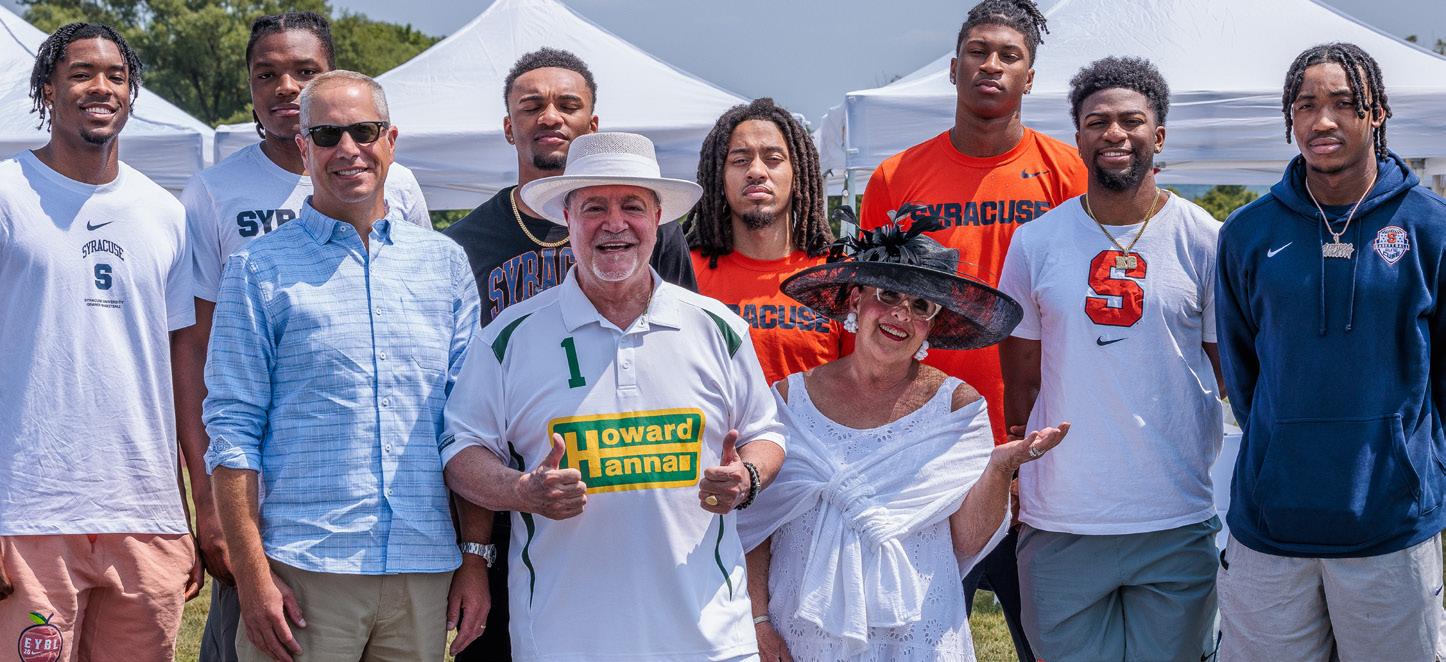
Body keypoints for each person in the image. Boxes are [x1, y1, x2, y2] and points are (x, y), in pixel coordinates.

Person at [441, 132, 786, 660]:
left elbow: (766, 433)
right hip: (562, 642)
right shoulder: (509, 337)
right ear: (567, 218)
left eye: (632, 206)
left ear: (658, 219)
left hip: (709, 640)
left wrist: (748, 477)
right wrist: (521, 491)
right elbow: (461, 453)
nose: (614, 223)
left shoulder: (718, 327)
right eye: (594, 208)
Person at [172, 12, 434, 662]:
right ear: (250, 88)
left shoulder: (396, 184)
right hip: (263, 496)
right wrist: (209, 501)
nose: (285, 87)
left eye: (304, 71)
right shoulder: (215, 191)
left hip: (381, 510)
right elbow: (196, 350)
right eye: (267, 74)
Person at [203, 70, 486, 662]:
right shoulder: (257, 269)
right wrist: (253, 577)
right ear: (303, 147)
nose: (348, 149)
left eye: (364, 131)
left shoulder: (445, 264)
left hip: (422, 567)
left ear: (391, 141)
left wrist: (474, 558)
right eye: (327, 135)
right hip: (305, 569)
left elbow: (470, 427)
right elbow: (232, 432)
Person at [443, 48, 698, 661]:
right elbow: (462, 414)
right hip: (505, 504)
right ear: (509, 127)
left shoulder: (654, 233)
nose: (550, 116)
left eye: (567, 104)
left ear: (593, 123)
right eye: (531, 106)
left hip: (632, 494)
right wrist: (474, 553)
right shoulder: (464, 244)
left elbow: (679, 350)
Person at [857, 2, 1086, 657]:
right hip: (925, 446)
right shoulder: (896, 178)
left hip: (1039, 445)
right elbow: (870, 317)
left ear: (1030, 77)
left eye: (1009, 56)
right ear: (953, 68)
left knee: (1051, 644)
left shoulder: (1070, 173)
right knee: (919, 643)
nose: (992, 65)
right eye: (979, 52)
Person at [738, 213, 1069, 661]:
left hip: (919, 636)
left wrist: (999, 466)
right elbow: (757, 524)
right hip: (801, 635)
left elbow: (968, 541)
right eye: (888, 295)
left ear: (933, 323)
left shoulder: (958, 408)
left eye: (921, 305)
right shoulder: (788, 401)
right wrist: (759, 621)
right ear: (857, 299)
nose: (901, 315)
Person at [1215, 42, 1446, 660]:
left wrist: (1417, 469)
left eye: (1344, 103)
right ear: (1289, 119)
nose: (1323, 121)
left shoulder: (1431, 227)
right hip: (1271, 522)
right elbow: (1243, 371)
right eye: (1306, 105)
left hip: (1391, 525)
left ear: (1377, 113)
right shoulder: (1247, 232)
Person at [997, 57, 1223, 661]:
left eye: (1131, 121)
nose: (1114, 134)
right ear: (1078, 137)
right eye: (1097, 122)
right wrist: (1020, 476)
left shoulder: (1205, 238)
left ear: (1159, 135)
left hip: (1173, 514)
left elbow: (1226, 372)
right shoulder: (1035, 242)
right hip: (1063, 517)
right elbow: (1021, 383)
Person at [0, 22, 199, 659]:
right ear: (47, 89)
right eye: (81, 73)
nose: (101, 87)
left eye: (117, 75)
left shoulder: (165, 211)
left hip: (145, 516)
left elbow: (181, 365)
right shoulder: (7, 193)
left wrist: (192, 510)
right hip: (28, 516)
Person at [687, 98, 841, 385]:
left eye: (773, 159)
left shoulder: (838, 275)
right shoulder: (685, 274)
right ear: (719, 177)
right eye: (740, 160)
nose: (756, 171)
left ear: (797, 173)